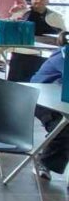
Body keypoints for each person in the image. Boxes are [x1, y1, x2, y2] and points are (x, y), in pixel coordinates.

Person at [31, 36, 69, 186]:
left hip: (61, 101)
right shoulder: (64, 55)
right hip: (40, 100)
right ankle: (44, 161)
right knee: (63, 128)